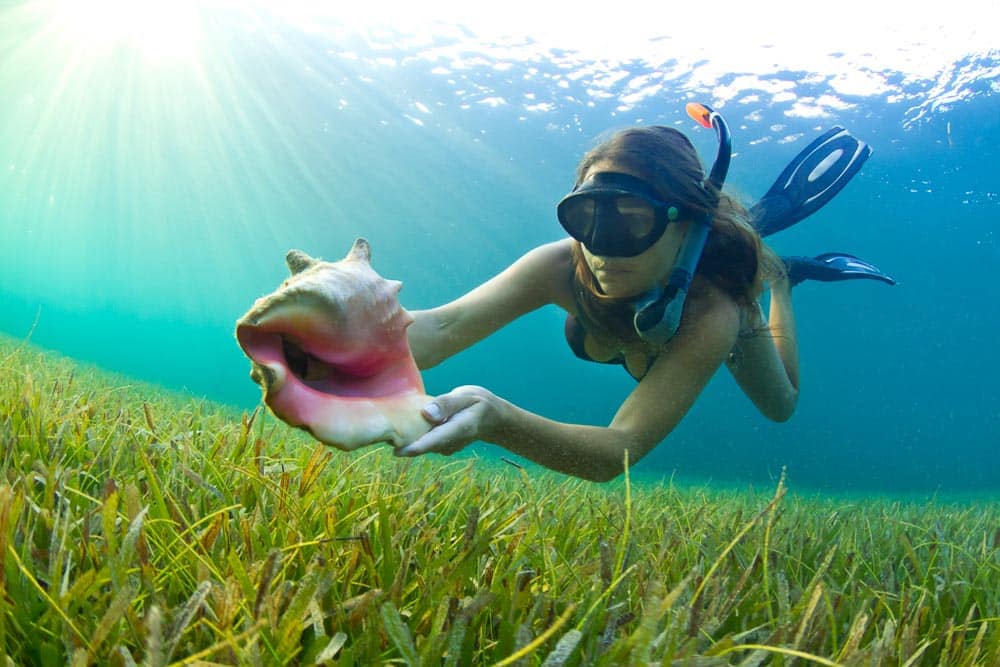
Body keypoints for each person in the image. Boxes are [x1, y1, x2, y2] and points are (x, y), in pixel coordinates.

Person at [395, 104, 893, 482]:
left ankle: (783, 279)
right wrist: (332, 320)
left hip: (709, 305)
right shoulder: (560, 262)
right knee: (598, 339)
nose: (603, 248)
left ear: (686, 226)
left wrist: (496, 418)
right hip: (618, 334)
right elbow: (441, 328)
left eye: (632, 220)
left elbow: (619, 449)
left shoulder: (714, 310)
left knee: (780, 405)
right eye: (587, 217)